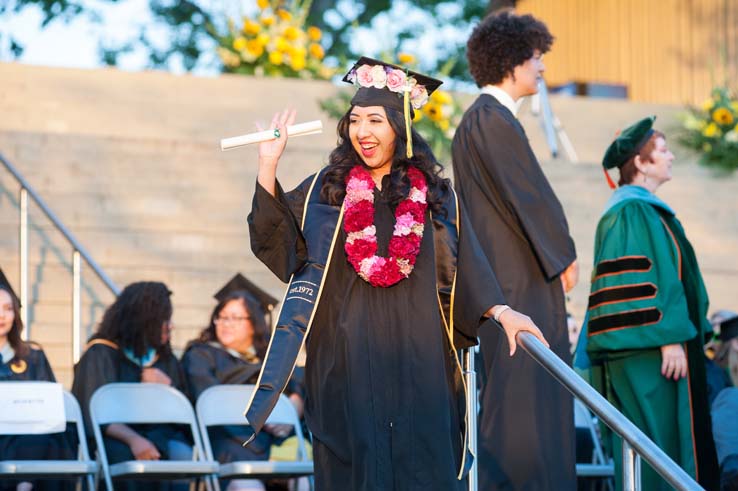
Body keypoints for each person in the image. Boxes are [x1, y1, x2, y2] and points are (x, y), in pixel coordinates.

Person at [242, 56, 549, 490]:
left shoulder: (437, 198)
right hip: (345, 363)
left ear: (399, 127)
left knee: (421, 467)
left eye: (375, 120)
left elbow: (468, 268)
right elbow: (278, 247)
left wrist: (502, 312)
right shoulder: (323, 193)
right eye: (354, 120)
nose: (362, 132)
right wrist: (268, 166)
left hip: (420, 364)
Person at [451, 11, 578, 490]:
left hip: (511, 273)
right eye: (536, 56)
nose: (541, 67)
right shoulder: (490, 118)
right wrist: (562, 254)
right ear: (512, 62)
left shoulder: (483, 120)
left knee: (529, 400)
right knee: (525, 407)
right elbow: (527, 194)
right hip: (516, 280)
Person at [575, 117, 720, 490]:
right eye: (663, 150)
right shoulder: (630, 211)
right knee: (657, 447)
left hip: (654, 348)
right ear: (640, 163)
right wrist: (668, 336)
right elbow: (641, 284)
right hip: (649, 351)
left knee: (664, 447)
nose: (671, 156)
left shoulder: (644, 209)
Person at [181, 274, 305, 491]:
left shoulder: (272, 358)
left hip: (277, 442)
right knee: (248, 485)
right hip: (230, 441)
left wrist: (292, 408)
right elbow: (209, 398)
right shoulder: (202, 354)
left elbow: (298, 388)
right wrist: (263, 413)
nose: (227, 324)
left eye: (237, 318)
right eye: (222, 317)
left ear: (254, 323)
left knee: (305, 479)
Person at [71, 281, 192, 491]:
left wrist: (169, 388)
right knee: (125, 457)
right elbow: (93, 415)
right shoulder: (101, 354)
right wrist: (135, 440)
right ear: (144, 321)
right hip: (115, 439)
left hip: (160, 437)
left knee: (182, 454)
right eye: (163, 319)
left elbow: (186, 417)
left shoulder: (165, 358)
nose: (170, 325)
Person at [0, 268, 75, 491]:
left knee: (46, 437)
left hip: (32, 435)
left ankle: (24, 485)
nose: (2, 316)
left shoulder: (32, 357)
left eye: (8, 309)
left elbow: (49, 403)